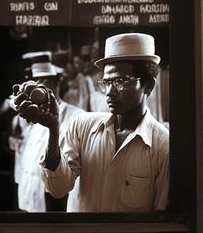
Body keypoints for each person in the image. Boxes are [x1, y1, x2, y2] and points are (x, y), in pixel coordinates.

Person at [14, 33, 170, 212]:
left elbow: (160, 219)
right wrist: (53, 129)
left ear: (148, 85)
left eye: (120, 81)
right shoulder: (82, 126)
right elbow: (58, 189)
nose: (109, 92)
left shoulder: (162, 146)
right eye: (106, 82)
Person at [16, 56, 84, 212]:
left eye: (43, 82)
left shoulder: (75, 115)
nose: (38, 88)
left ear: (56, 83)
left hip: (54, 194)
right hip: (28, 191)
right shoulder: (33, 117)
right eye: (35, 82)